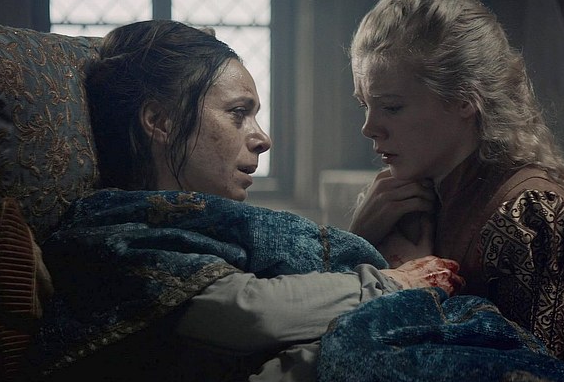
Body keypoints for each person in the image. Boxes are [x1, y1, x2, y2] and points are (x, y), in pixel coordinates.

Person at [29, 19, 464, 382]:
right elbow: (253, 312)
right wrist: (394, 285)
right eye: (239, 113)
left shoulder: (200, 227)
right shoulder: (110, 235)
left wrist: (361, 238)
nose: (262, 138)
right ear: (159, 121)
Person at [348, 0, 564, 367]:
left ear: (464, 99)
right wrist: (358, 237)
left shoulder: (532, 212)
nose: (369, 128)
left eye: (391, 107)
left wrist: (421, 286)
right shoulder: (403, 196)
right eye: (365, 105)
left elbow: (532, 373)